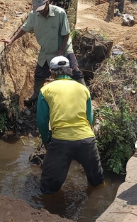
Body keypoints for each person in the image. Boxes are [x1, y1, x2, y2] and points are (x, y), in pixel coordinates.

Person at [1, 0, 85, 106]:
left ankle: (85, 96)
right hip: (46, 50)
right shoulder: (33, 15)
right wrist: (12, 40)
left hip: (63, 48)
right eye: (38, 9)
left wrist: (61, 51)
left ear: (47, 2)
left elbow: (66, 34)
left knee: (75, 71)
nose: (40, 11)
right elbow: (24, 28)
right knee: (39, 74)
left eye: (42, 8)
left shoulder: (60, 13)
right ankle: (36, 95)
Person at [37, 56, 104, 194]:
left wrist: (46, 140)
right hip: (87, 140)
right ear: (70, 70)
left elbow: (42, 121)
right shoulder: (83, 89)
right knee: (97, 182)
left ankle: (47, 211)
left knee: (48, 187)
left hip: (61, 141)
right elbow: (89, 118)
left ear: (51, 72)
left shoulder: (46, 90)